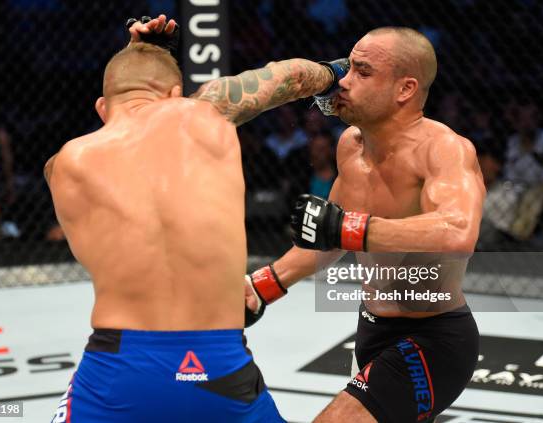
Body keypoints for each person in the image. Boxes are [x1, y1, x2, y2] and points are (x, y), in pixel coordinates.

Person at [46, 14, 346, 423]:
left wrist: (139, 53)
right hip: (219, 366)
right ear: (175, 94)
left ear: (101, 107)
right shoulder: (206, 115)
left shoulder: (64, 165)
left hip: (119, 368)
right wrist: (338, 72)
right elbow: (290, 75)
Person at [245, 27, 485, 422]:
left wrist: (354, 229)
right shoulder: (350, 145)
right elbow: (328, 238)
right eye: (349, 67)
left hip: (432, 338)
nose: (343, 80)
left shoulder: (442, 149)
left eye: (362, 71)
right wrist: (263, 286)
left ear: (404, 89)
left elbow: (458, 231)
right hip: (371, 328)